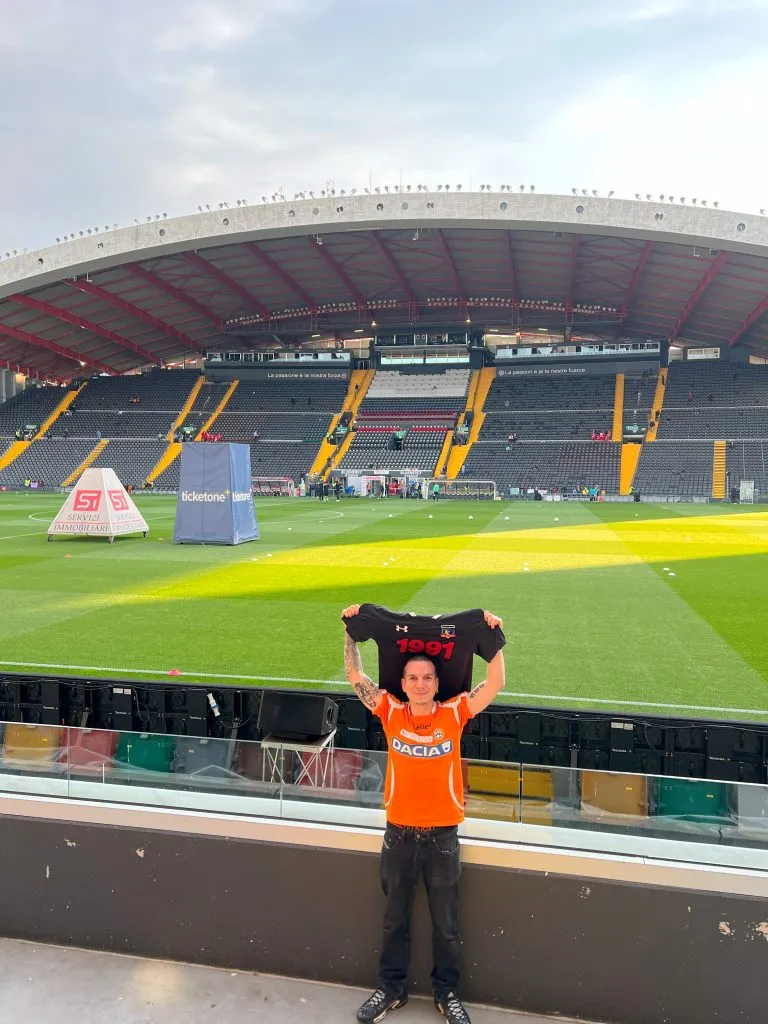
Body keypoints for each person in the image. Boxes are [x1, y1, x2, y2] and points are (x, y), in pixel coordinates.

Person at [342, 605, 506, 1024]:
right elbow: (356, 677)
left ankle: (446, 994)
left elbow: (495, 683)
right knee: (393, 920)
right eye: (413, 678)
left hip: (442, 837)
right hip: (397, 834)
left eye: (427, 678)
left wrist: (494, 641)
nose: (419, 684)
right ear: (402, 683)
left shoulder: (454, 713)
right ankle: (390, 990)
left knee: (447, 926)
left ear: (437, 683)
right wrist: (352, 632)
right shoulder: (390, 712)